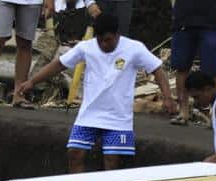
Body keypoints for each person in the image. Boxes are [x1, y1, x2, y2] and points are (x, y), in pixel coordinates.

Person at [13, 12, 173, 171]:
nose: (103, 44)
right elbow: (59, 64)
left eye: (108, 40)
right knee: (74, 153)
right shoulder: (85, 47)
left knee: (113, 160)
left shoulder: (135, 49)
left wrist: (167, 98)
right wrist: (32, 82)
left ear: (117, 35)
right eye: (100, 40)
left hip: (119, 120)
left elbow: (157, 70)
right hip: (88, 115)